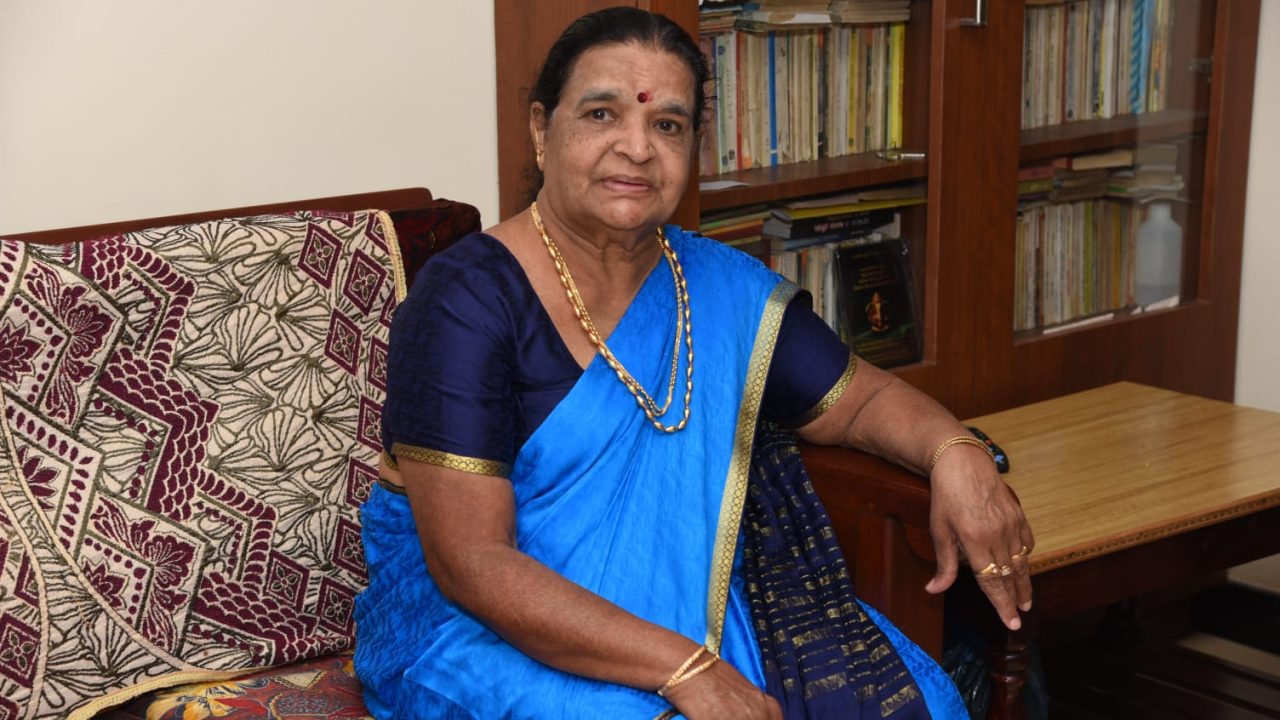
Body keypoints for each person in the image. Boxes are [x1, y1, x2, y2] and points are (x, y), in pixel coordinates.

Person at [354, 8, 1033, 719]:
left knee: (924, 702)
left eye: (667, 125)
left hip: (686, 606)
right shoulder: (465, 300)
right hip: (476, 629)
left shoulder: (717, 287)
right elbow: (473, 564)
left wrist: (957, 453)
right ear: (541, 130)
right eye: (601, 114)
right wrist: (684, 668)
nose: (636, 147)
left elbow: (861, 402)